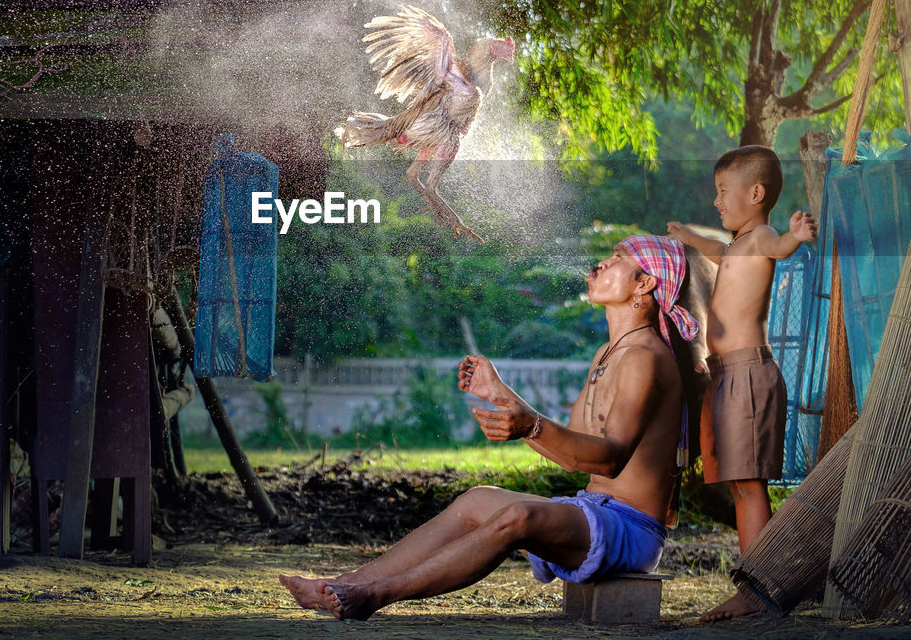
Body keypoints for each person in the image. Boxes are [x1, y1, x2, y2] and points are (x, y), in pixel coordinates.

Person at [279, 234, 700, 621]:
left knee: (517, 516)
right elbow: (573, 452)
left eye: (618, 260)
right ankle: (350, 581)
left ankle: (376, 594)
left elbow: (607, 460)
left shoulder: (646, 356)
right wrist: (499, 393)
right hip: (592, 512)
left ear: (644, 285)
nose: (602, 264)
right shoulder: (608, 352)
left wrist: (530, 425)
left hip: (631, 531)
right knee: (477, 500)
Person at [666, 145, 817, 622]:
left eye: (723, 192)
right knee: (740, 486)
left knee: (750, 487)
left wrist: (794, 236)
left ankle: (758, 589)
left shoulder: (764, 237)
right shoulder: (736, 245)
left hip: (749, 374)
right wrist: (690, 236)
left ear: (756, 193)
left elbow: (777, 247)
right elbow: (718, 252)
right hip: (729, 375)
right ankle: (760, 582)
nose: (717, 201)